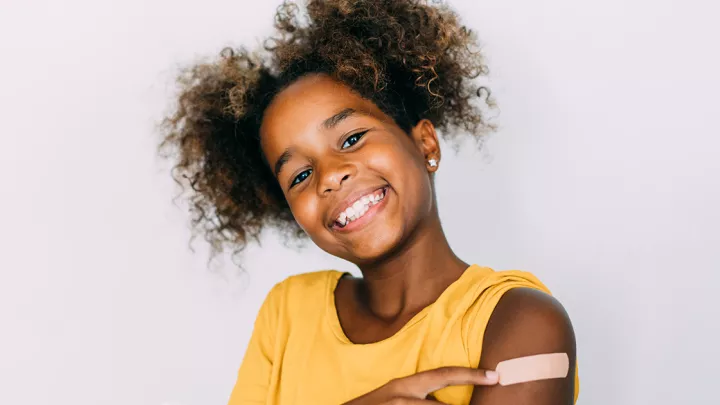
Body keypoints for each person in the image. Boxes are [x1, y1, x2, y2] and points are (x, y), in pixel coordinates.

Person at [158, 0, 579, 404]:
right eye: (300, 176)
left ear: (425, 143)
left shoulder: (520, 321)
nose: (330, 176)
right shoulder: (288, 314)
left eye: (352, 138)